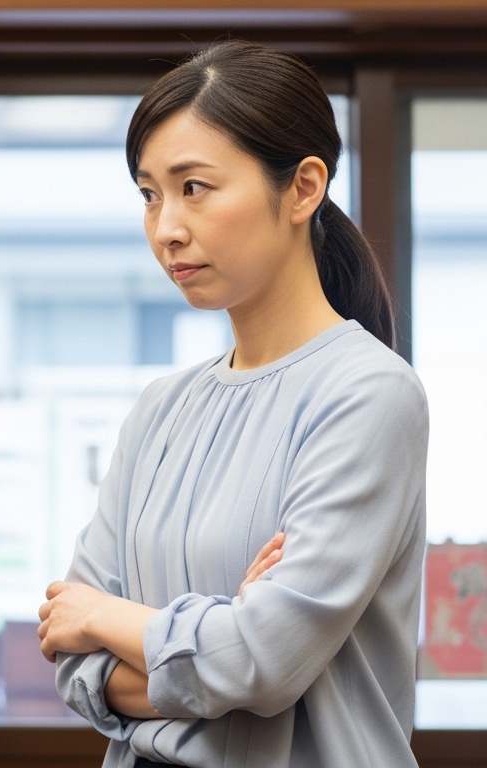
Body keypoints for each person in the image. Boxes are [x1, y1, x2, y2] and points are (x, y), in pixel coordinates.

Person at [36, 41, 429, 767]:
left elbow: (262, 660)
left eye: (196, 188)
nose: (167, 228)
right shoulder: (160, 408)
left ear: (303, 188)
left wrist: (115, 620)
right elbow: (70, 653)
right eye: (150, 194)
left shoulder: (369, 395)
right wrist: (214, 645)